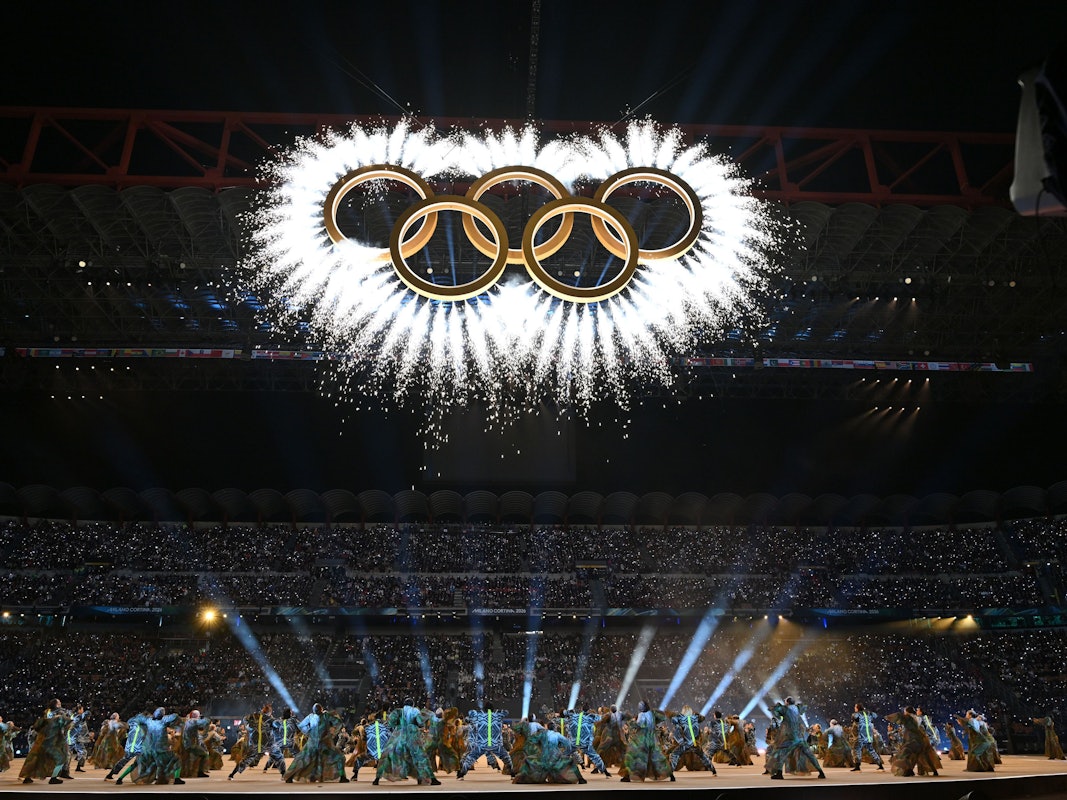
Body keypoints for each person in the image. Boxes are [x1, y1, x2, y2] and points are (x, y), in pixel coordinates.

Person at [372, 699, 440, 785]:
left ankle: (377, 779)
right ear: (413, 704)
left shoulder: (398, 712)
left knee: (387, 755)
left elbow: (391, 723)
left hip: (399, 736)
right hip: (413, 736)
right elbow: (420, 722)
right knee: (420, 757)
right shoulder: (415, 711)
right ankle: (430, 779)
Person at [284, 703, 349, 783]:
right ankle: (342, 777)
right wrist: (332, 732)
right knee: (339, 757)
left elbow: (301, 726)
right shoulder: (326, 716)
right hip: (324, 743)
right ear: (321, 709)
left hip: (313, 743)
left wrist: (308, 732)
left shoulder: (311, 716)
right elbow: (339, 722)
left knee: (303, 760)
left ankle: (290, 776)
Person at [767, 697, 825, 780]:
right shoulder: (797, 708)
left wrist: (777, 707)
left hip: (790, 736)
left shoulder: (785, 709)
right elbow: (803, 708)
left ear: (787, 702)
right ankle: (821, 772)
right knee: (809, 754)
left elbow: (773, 710)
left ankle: (779, 773)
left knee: (782, 753)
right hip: (799, 736)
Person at [620, 700, 674, 782]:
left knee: (633, 756)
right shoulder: (652, 713)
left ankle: (627, 776)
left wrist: (631, 723)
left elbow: (640, 725)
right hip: (652, 739)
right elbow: (662, 717)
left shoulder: (641, 714)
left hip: (641, 739)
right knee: (657, 758)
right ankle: (670, 775)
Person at [20, 700, 72, 785]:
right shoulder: (59, 716)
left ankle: (27, 777)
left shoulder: (45, 715)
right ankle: (54, 778)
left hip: (40, 740)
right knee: (61, 758)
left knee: (36, 759)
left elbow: (36, 727)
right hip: (51, 742)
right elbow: (67, 724)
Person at [457, 705, 513, 779]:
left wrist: (480, 712)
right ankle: (512, 774)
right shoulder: (498, 715)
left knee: (469, 759)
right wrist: (496, 711)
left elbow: (470, 712)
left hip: (481, 745)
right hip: (495, 744)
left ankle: (461, 774)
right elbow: (506, 712)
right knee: (507, 758)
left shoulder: (479, 716)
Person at [886, 707, 941, 777]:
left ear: (907, 712)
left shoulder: (909, 718)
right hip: (921, 739)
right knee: (923, 756)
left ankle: (908, 770)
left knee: (906, 753)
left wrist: (889, 717)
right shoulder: (917, 718)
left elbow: (899, 716)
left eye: (905, 711)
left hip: (914, 740)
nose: (904, 713)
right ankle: (933, 771)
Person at [228, 704, 274, 780]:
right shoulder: (261, 717)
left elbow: (245, 719)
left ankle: (231, 775)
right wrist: (250, 727)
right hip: (261, 742)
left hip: (260, 742)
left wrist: (250, 727)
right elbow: (245, 719)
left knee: (247, 759)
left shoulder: (265, 718)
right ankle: (285, 775)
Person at [564, 705, 611, 777]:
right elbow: (601, 717)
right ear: (588, 710)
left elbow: (565, 714)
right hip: (584, 742)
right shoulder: (590, 717)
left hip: (574, 741)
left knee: (565, 754)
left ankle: (558, 769)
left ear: (582, 709)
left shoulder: (575, 716)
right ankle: (605, 771)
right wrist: (608, 713)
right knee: (595, 757)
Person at [668, 705, 715, 774]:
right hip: (693, 744)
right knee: (702, 756)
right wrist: (696, 714)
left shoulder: (680, 719)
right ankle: (712, 769)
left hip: (685, 744)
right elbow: (702, 718)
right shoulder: (695, 718)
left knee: (675, 755)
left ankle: (670, 772)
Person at [105, 713, 146, 781]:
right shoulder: (142, 727)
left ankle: (111, 775)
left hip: (130, 747)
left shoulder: (131, 724)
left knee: (123, 761)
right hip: (137, 748)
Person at [264, 707, 300, 775]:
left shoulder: (278, 721)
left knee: (275, 755)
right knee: (298, 755)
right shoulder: (293, 720)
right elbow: (301, 726)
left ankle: (266, 767)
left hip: (280, 742)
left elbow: (271, 728)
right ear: (290, 713)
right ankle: (299, 768)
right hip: (290, 742)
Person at [851, 703, 884, 771]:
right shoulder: (869, 713)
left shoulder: (856, 714)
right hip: (868, 736)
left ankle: (857, 766)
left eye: (855, 707)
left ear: (857, 708)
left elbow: (853, 719)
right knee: (871, 750)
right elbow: (875, 716)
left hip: (860, 736)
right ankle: (880, 764)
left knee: (856, 750)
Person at [180, 709, 211, 778]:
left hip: (187, 743)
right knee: (205, 754)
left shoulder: (188, 721)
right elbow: (205, 722)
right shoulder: (193, 721)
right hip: (191, 744)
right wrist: (205, 718)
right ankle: (200, 771)